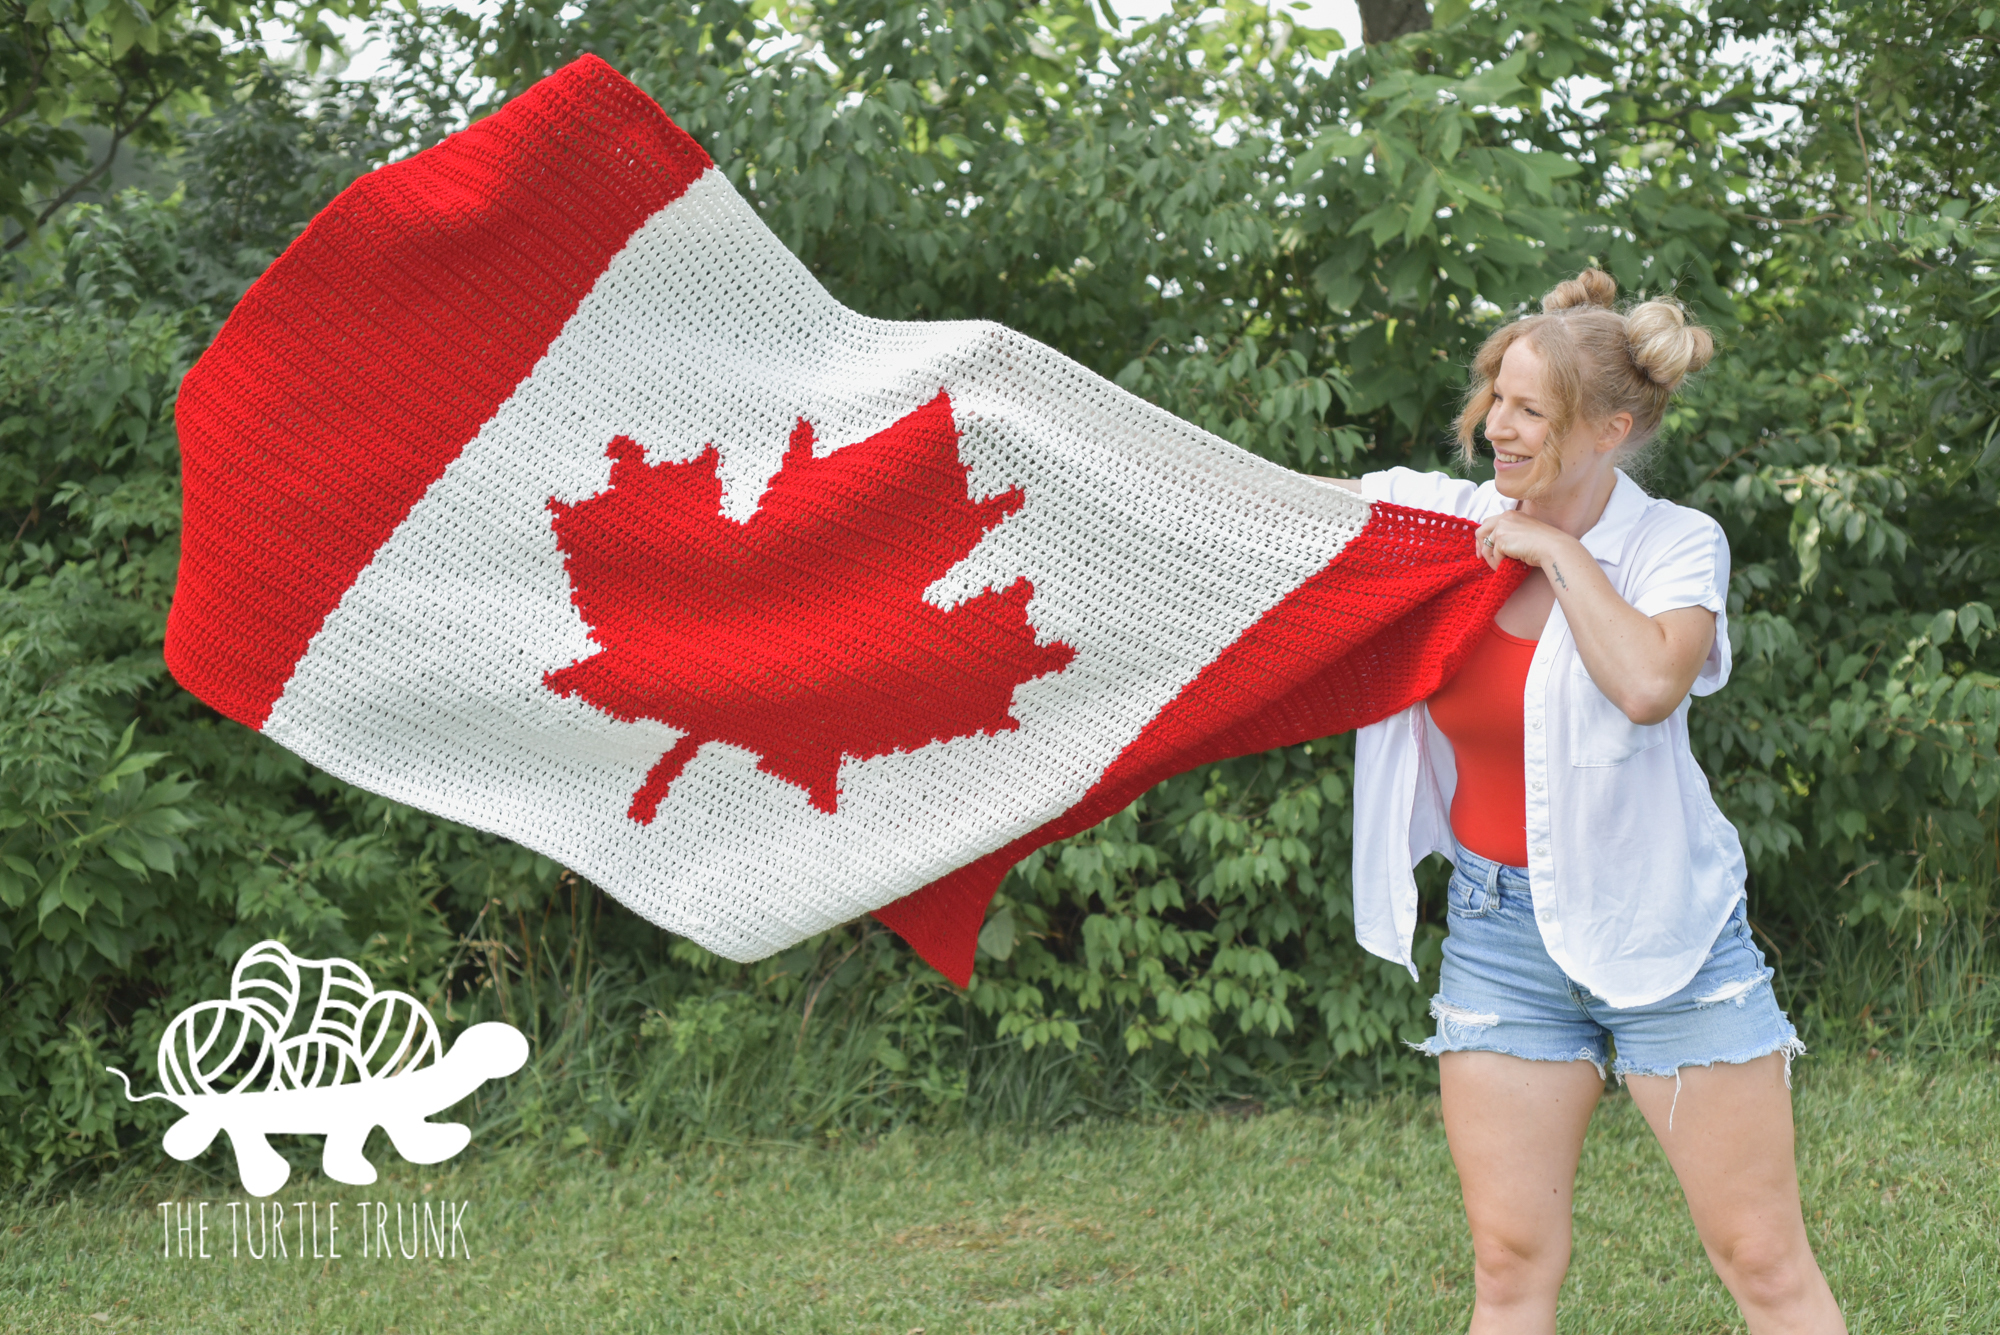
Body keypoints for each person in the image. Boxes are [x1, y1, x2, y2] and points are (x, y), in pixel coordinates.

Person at [1324, 269, 1846, 1335]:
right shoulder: (1438, 527)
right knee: (1508, 1266)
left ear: (1609, 428)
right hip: (1494, 933)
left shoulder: (1671, 545)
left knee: (1759, 1257)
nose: (1494, 430)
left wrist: (1557, 552)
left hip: (1666, 933)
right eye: (1493, 397)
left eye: (1528, 410)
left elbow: (1649, 685)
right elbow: (1265, 523)